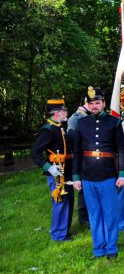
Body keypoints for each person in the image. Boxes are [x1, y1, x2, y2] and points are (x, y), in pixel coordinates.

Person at [71, 87, 124, 259]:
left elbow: (122, 149)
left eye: (97, 103)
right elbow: (77, 152)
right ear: (87, 105)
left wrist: (123, 173)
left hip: (108, 175)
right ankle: (98, 248)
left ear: (103, 103)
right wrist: (75, 177)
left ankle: (111, 247)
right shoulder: (81, 123)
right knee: (94, 214)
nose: (94, 106)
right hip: (88, 176)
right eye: (91, 103)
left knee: (110, 213)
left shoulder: (114, 122)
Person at [31, 98, 74, 242]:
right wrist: (49, 168)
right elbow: (35, 152)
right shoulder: (47, 129)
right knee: (60, 201)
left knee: (68, 201)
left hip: (66, 170)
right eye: (64, 110)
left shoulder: (59, 126)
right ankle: (58, 235)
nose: (66, 112)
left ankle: (64, 231)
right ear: (56, 113)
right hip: (56, 172)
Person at [66, 94, 91, 228]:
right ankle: (83, 218)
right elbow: (72, 141)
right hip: (81, 159)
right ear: (87, 102)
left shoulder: (90, 116)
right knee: (83, 188)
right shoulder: (75, 119)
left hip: (91, 159)